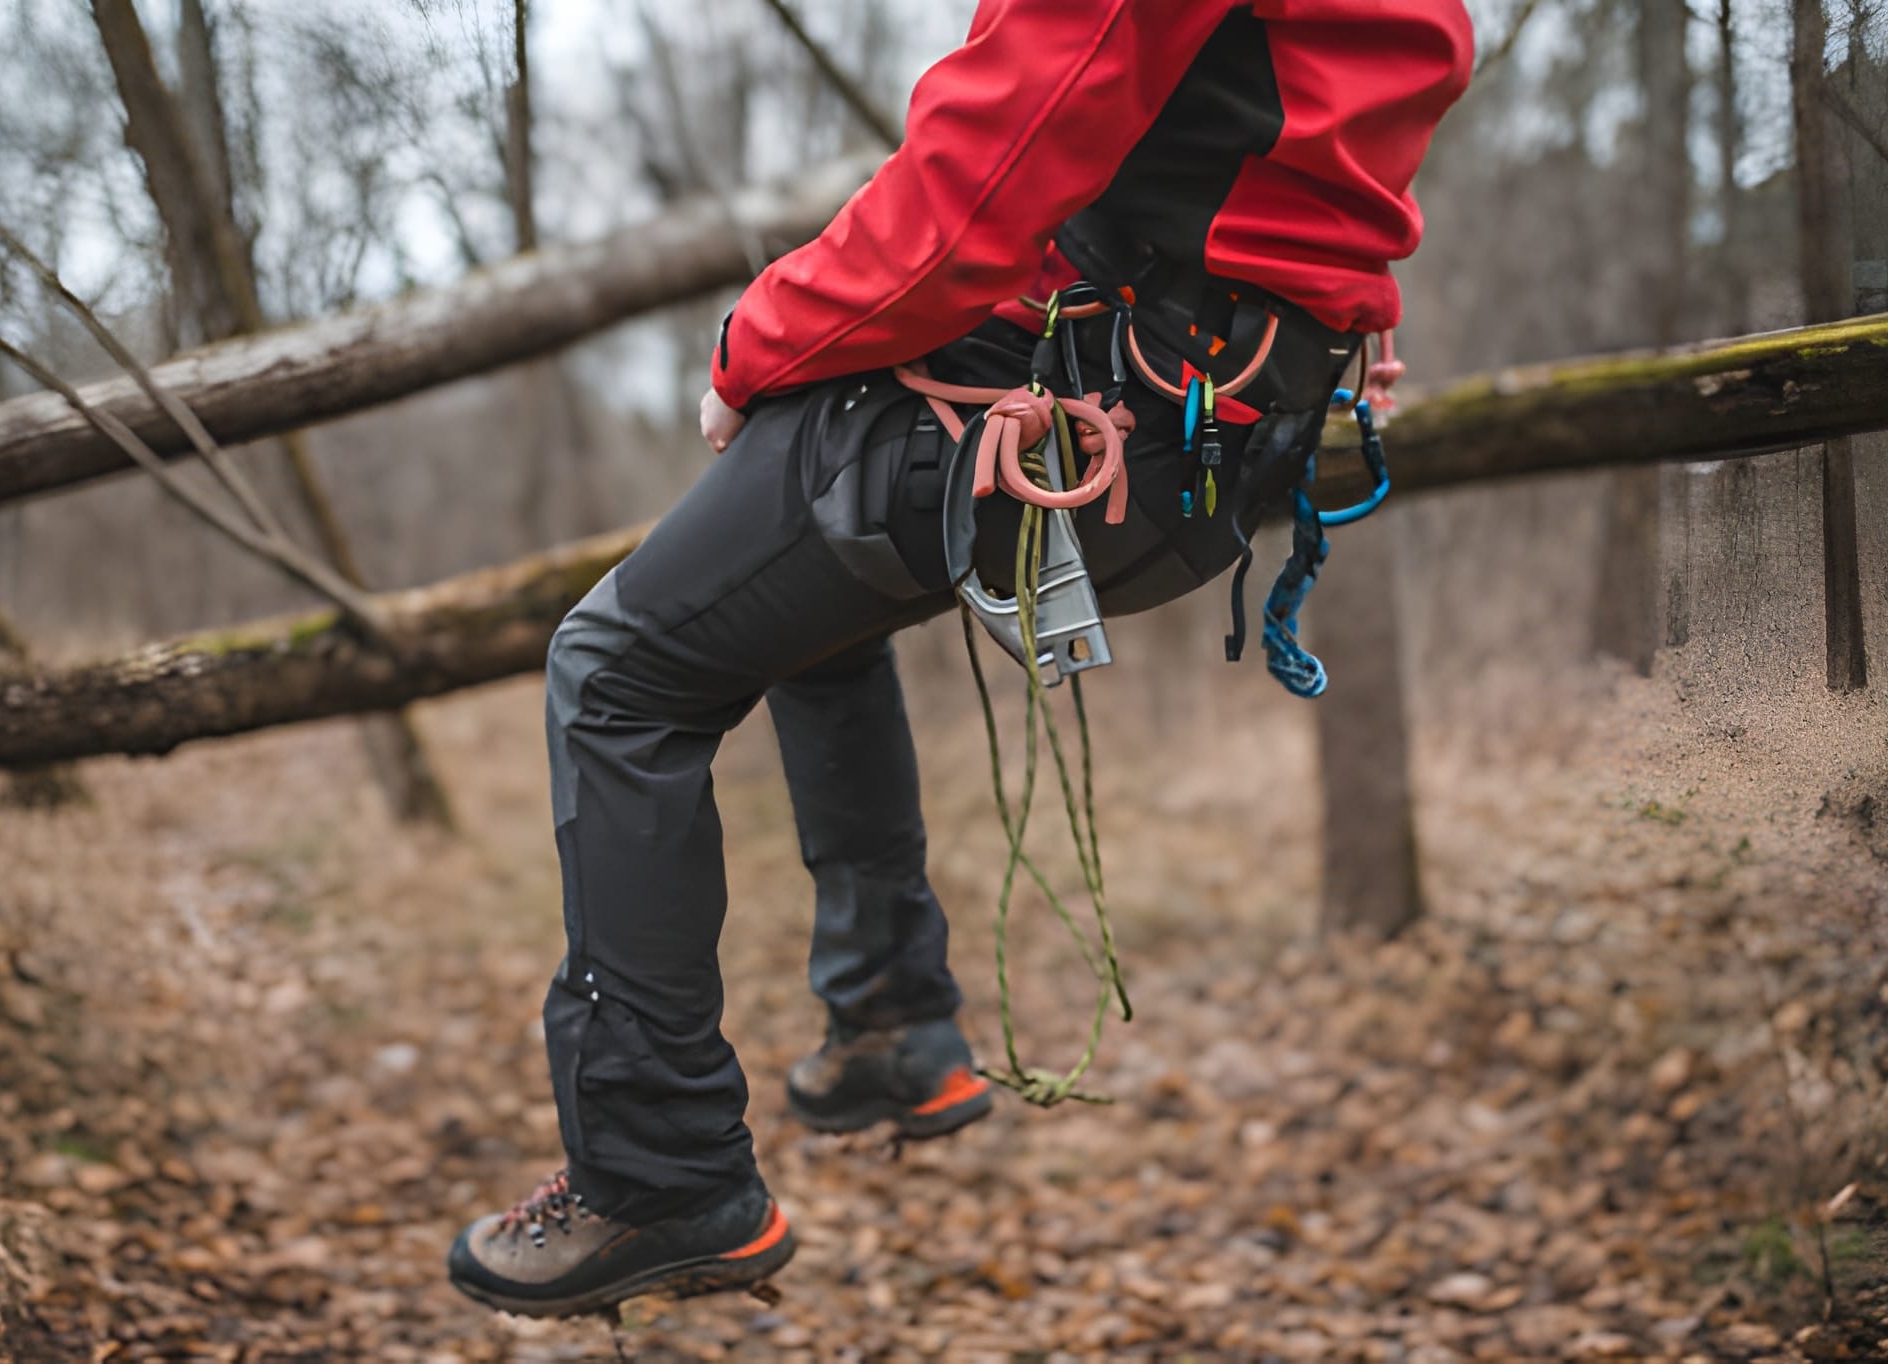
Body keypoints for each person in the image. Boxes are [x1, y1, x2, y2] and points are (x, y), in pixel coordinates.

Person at [448, 0, 1472, 1319]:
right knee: (803, 618)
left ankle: (658, 1178)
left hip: (1120, 413)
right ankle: (891, 1024)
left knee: (617, 670)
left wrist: (752, 343)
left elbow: (988, 165)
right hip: (1217, 433)